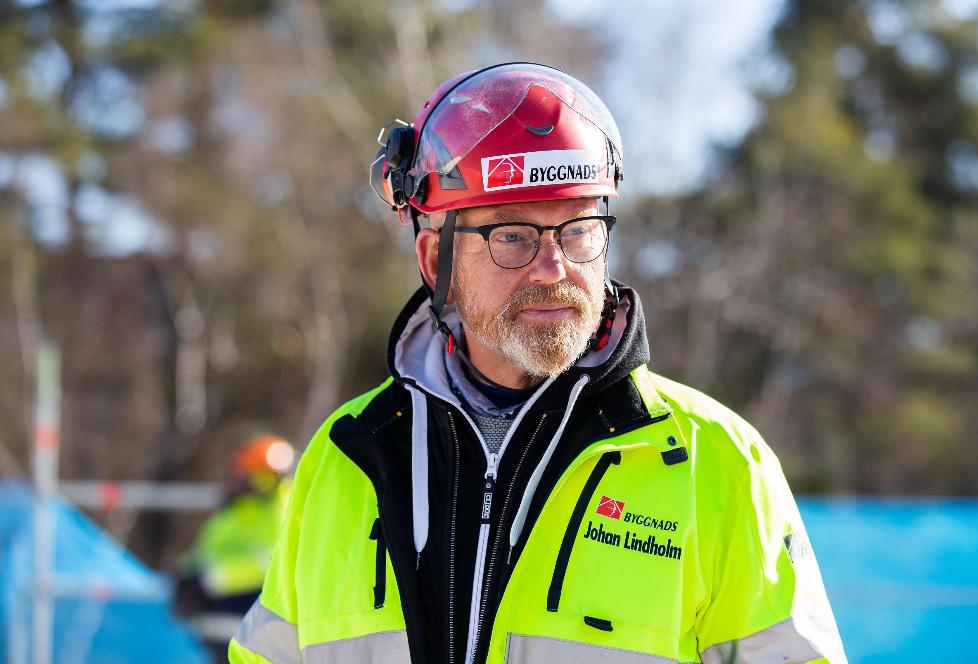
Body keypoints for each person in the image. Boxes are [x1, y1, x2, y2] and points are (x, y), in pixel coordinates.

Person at [229, 62, 846, 664]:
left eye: (578, 230)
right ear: (432, 258)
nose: (554, 270)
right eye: (512, 236)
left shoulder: (716, 461)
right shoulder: (347, 457)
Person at [177, 434, 294, 660]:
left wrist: (212, 580)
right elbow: (208, 553)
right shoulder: (231, 513)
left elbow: (268, 562)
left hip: (252, 617)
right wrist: (186, 575)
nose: (236, 478)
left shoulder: (282, 511)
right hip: (216, 621)